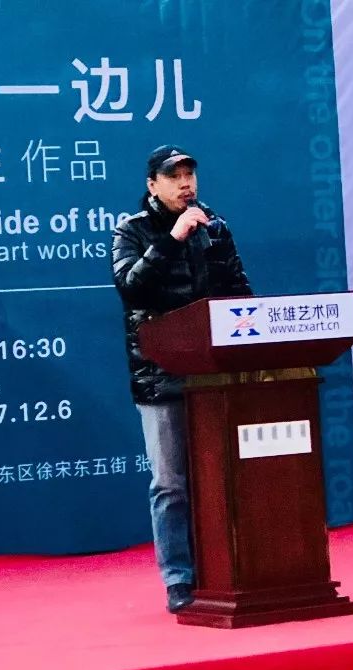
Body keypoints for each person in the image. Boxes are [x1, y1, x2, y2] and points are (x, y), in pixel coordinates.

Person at [110, 145, 252, 613]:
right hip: (161, 378)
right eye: (174, 176)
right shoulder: (131, 231)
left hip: (215, 377)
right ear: (153, 185)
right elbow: (132, 287)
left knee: (221, 477)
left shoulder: (215, 227)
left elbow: (239, 292)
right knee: (171, 483)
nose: (186, 183)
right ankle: (178, 578)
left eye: (190, 174)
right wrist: (172, 239)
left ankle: (228, 569)